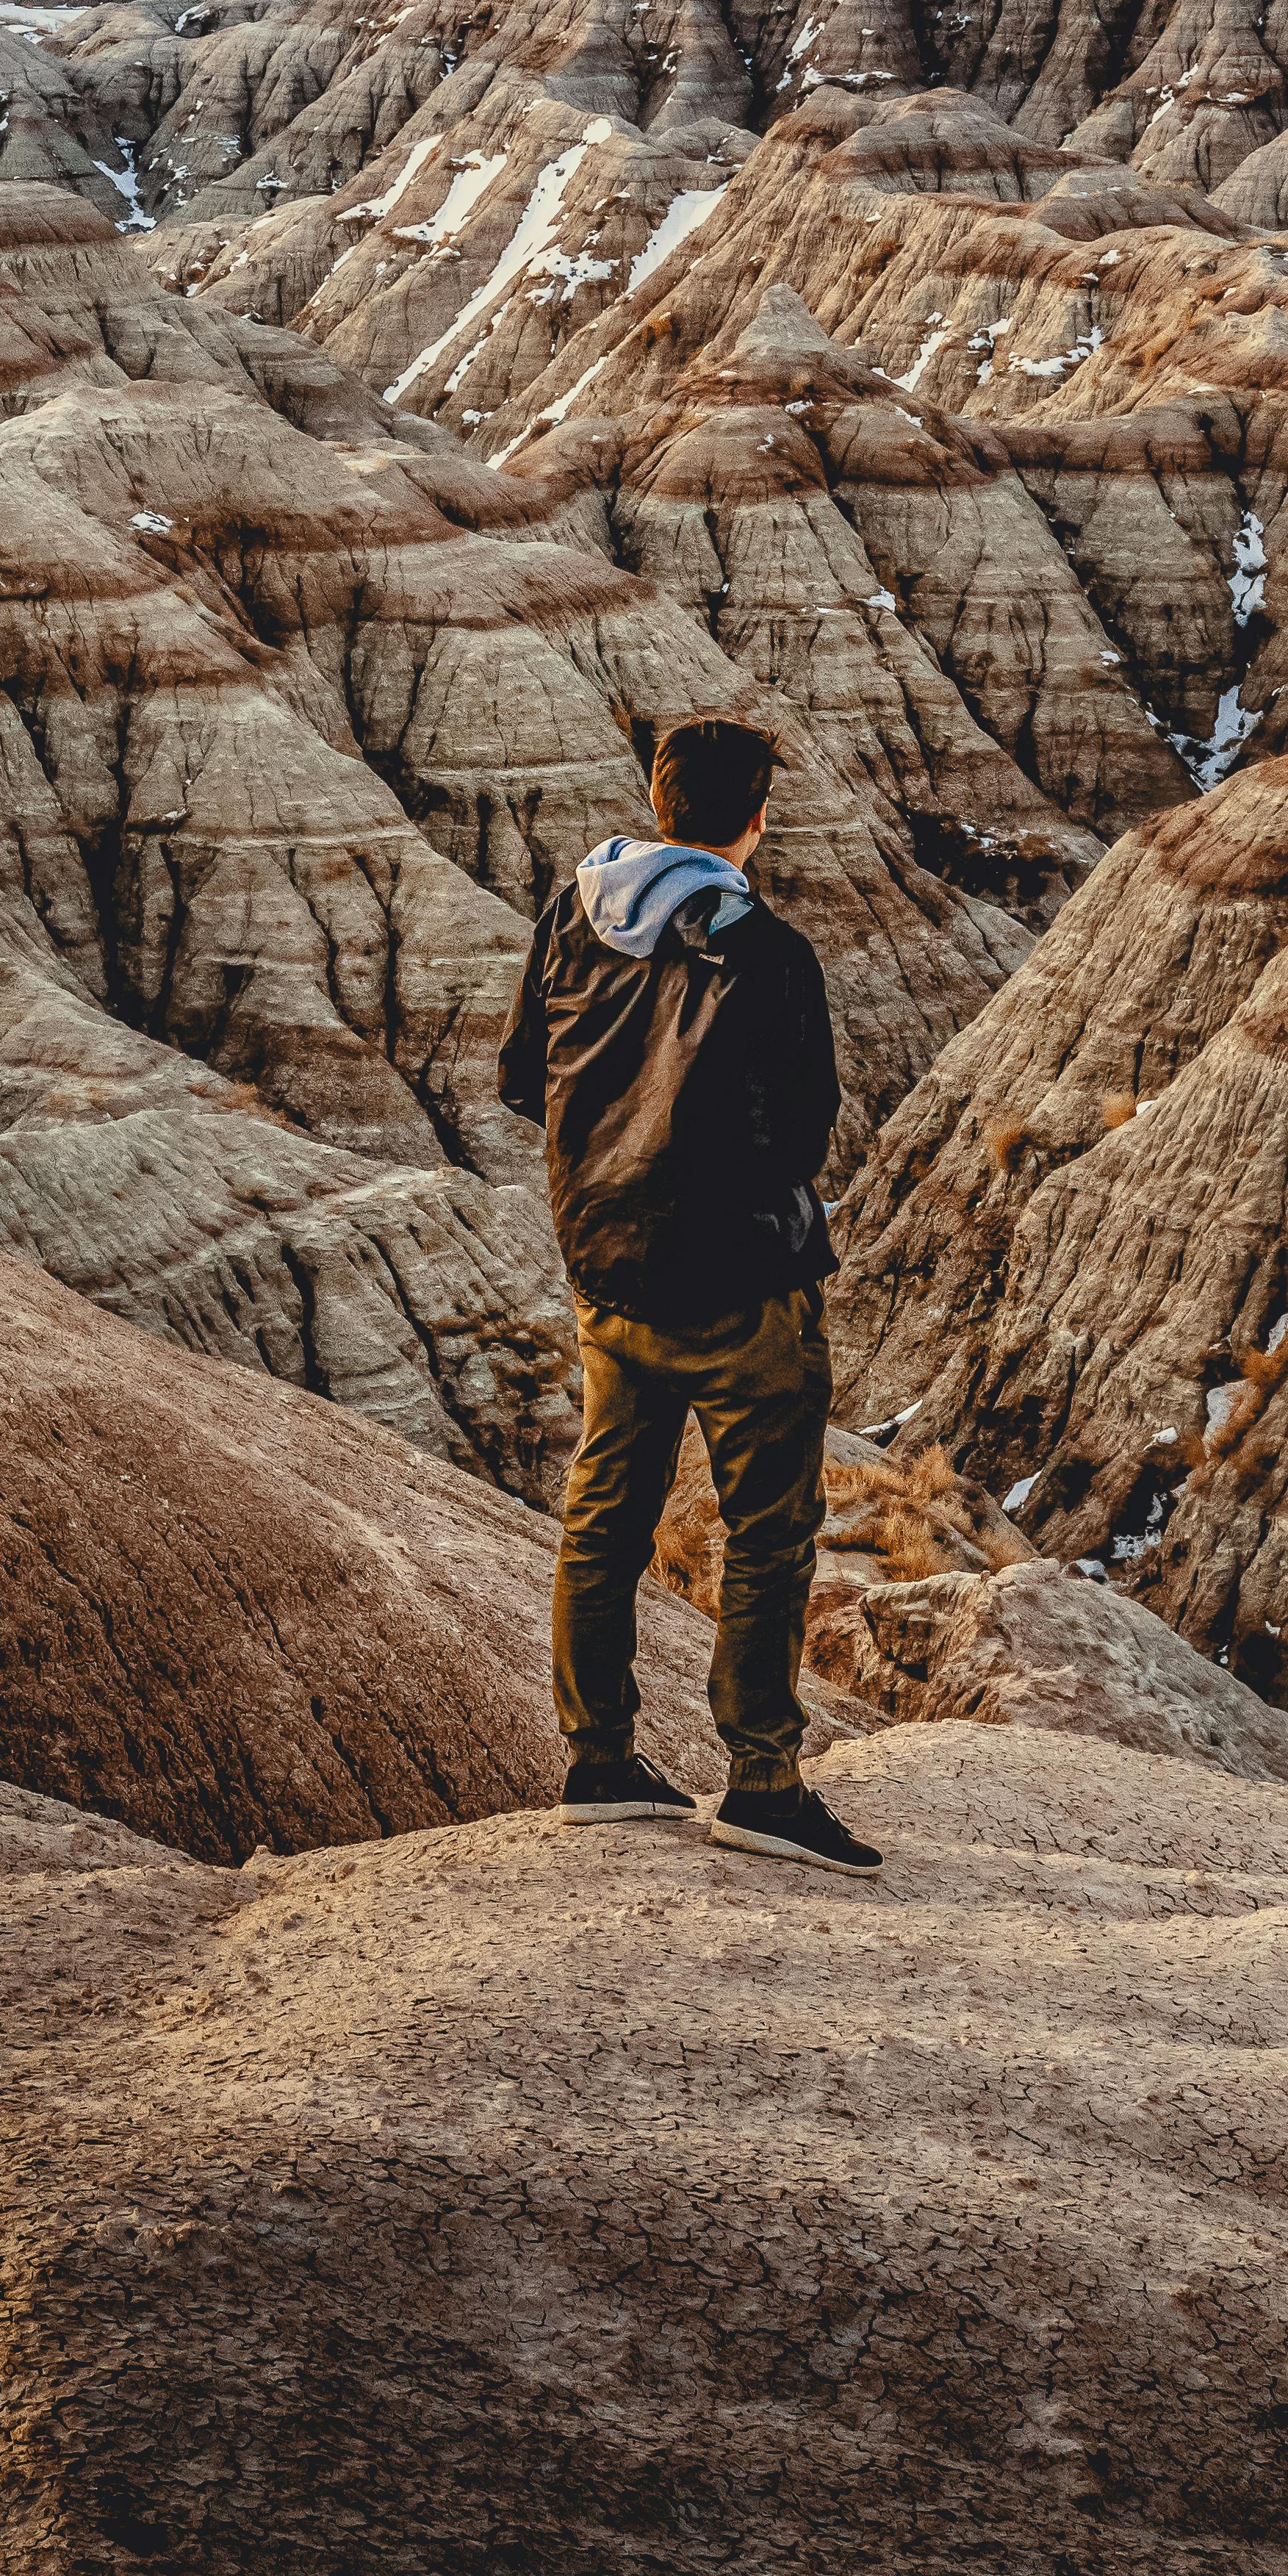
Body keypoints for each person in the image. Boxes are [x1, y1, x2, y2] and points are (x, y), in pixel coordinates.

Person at [497, 714, 882, 1876]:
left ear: (657, 802)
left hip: (608, 1272)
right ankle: (760, 1782)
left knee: (603, 1510)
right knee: (766, 1533)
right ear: (755, 819)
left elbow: (523, 1075)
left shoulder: (573, 913)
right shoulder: (765, 950)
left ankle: (597, 1759)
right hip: (741, 1289)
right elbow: (805, 1131)